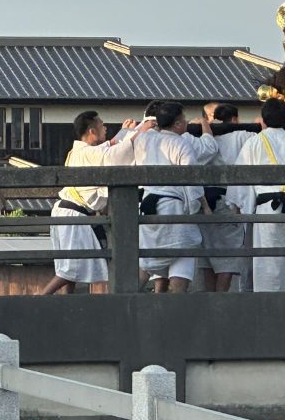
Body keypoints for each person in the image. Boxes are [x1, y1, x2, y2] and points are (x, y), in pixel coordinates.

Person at [40, 111, 148, 296]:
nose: (105, 128)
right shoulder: (87, 153)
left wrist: (127, 132)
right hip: (72, 213)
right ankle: (40, 298)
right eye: (101, 125)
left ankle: (67, 300)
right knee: (70, 269)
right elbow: (114, 154)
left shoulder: (83, 151)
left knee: (70, 266)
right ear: (92, 131)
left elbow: (110, 147)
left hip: (70, 211)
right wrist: (139, 132)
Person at [229, 99, 285, 292]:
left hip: (266, 209)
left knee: (267, 260)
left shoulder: (254, 143)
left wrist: (239, 207)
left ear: (263, 119)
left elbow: (240, 181)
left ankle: (268, 305)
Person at [135, 101, 216, 293]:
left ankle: (124, 297)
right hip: (172, 206)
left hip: (147, 204)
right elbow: (192, 180)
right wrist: (202, 206)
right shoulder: (182, 143)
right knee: (183, 249)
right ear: (178, 124)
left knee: (148, 257)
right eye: (184, 119)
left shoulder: (143, 139)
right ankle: (175, 308)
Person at [199, 101, 253, 292]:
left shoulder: (203, 138)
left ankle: (209, 303)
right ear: (235, 119)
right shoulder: (243, 135)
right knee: (228, 257)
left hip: (204, 199)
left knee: (207, 256)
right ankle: (220, 301)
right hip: (226, 199)